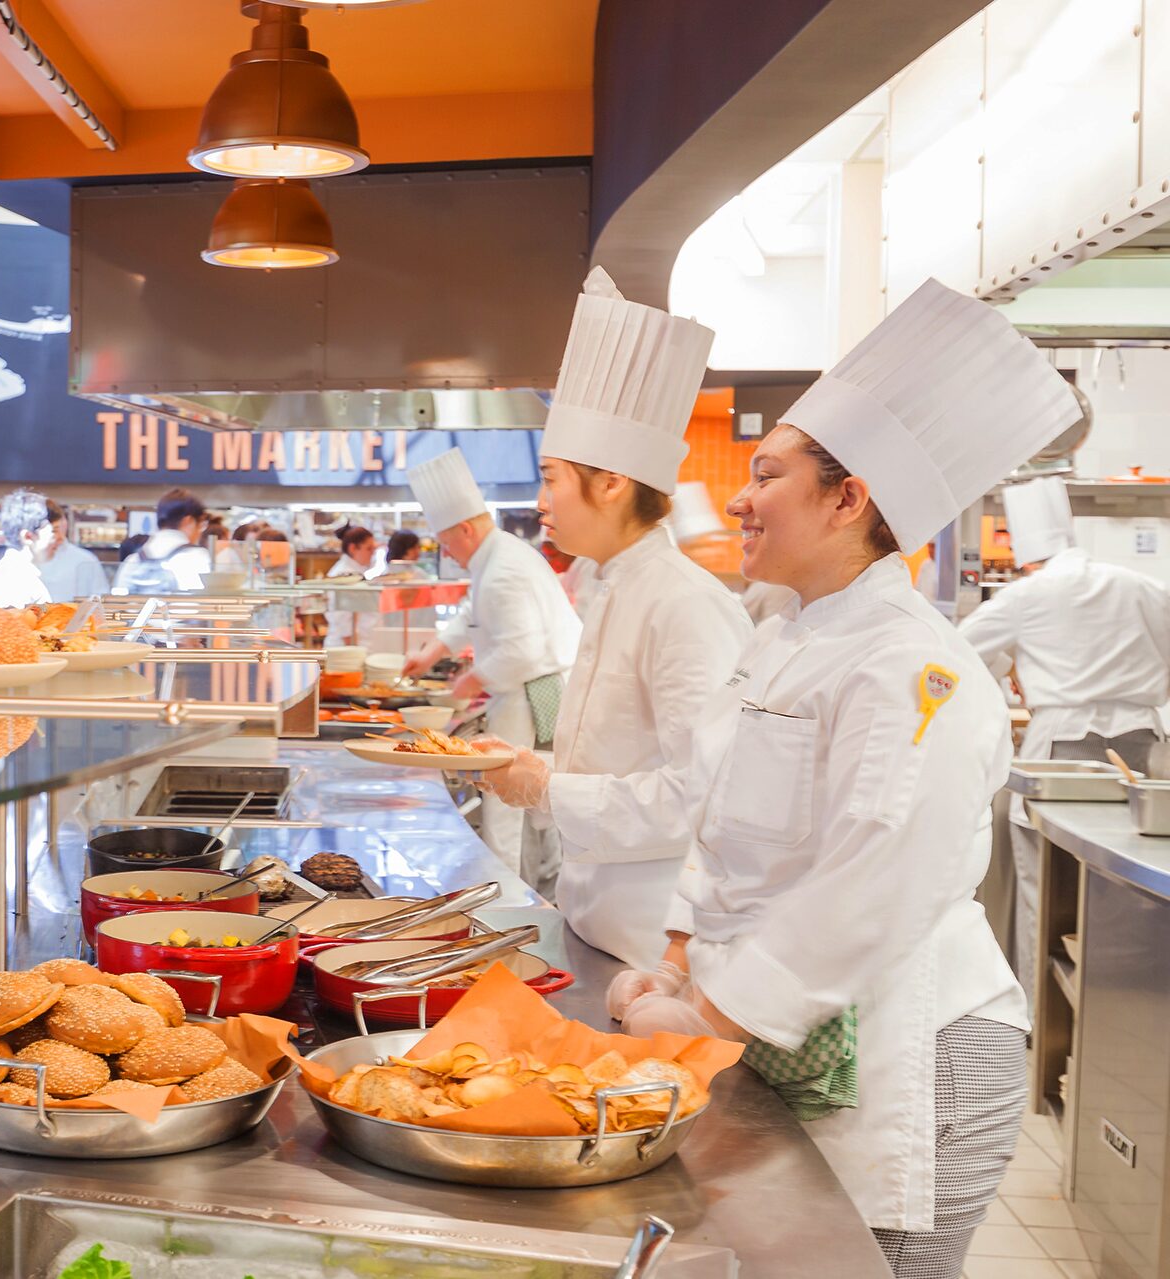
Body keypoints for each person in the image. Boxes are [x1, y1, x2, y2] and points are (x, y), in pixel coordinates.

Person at [486, 280, 1080, 1275]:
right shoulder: (785, 637)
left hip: (911, 1060)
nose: (740, 498)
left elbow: (871, 882)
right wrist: (675, 964)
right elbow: (713, 818)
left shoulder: (913, 670)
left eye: (767, 475)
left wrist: (701, 1021)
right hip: (799, 1037)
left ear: (849, 500)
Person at [475, 267, 749, 967]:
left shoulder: (684, 604)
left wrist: (546, 787)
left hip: (658, 949)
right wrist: (528, 766)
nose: (540, 500)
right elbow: (616, 761)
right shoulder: (611, 584)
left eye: (551, 477)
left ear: (613, 482)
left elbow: (703, 795)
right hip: (595, 925)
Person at [958, 474, 1170, 1006]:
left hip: (1062, 754)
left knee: (1047, 890)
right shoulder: (1140, 584)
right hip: (1143, 749)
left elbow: (953, 657)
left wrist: (1003, 684)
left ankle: (1044, 1018)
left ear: (1028, 554)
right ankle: (1133, 1006)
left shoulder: (1027, 596)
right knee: (1133, 889)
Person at [403, 448, 580, 874]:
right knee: (532, 806)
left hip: (531, 693)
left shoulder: (502, 568)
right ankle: (532, 884)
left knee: (507, 802)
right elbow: (472, 611)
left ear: (465, 529)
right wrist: (434, 651)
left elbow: (522, 650)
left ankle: (508, 896)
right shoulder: (498, 555)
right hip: (531, 688)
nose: (448, 552)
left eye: (446, 543)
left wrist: (469, 682)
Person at [113, 488, 212, 594]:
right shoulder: (197, 557)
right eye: (200, 525)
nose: (200, 532)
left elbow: (117, 600)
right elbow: (202, 604)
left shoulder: (132, 560)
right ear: (188, 521)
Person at [0, 488, 56, 610]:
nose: (54, 537)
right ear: (28, 537)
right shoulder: (14, 580)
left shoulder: (16, 570)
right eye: (50, 529)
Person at [38, 498, 110, 601]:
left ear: (65, 522)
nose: (54, 536)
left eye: (56, 529)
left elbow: (100, 600)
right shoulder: (23, 561)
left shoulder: (85, 559)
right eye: (51, 530)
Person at [324, 525, 380, 646]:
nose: (372, 554)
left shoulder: (356, 573)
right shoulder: (343, 575)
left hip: (359, 644)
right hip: (346, 647)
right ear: (353, 548)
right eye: (369, 549)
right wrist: (351, 646)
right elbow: (341, 617)